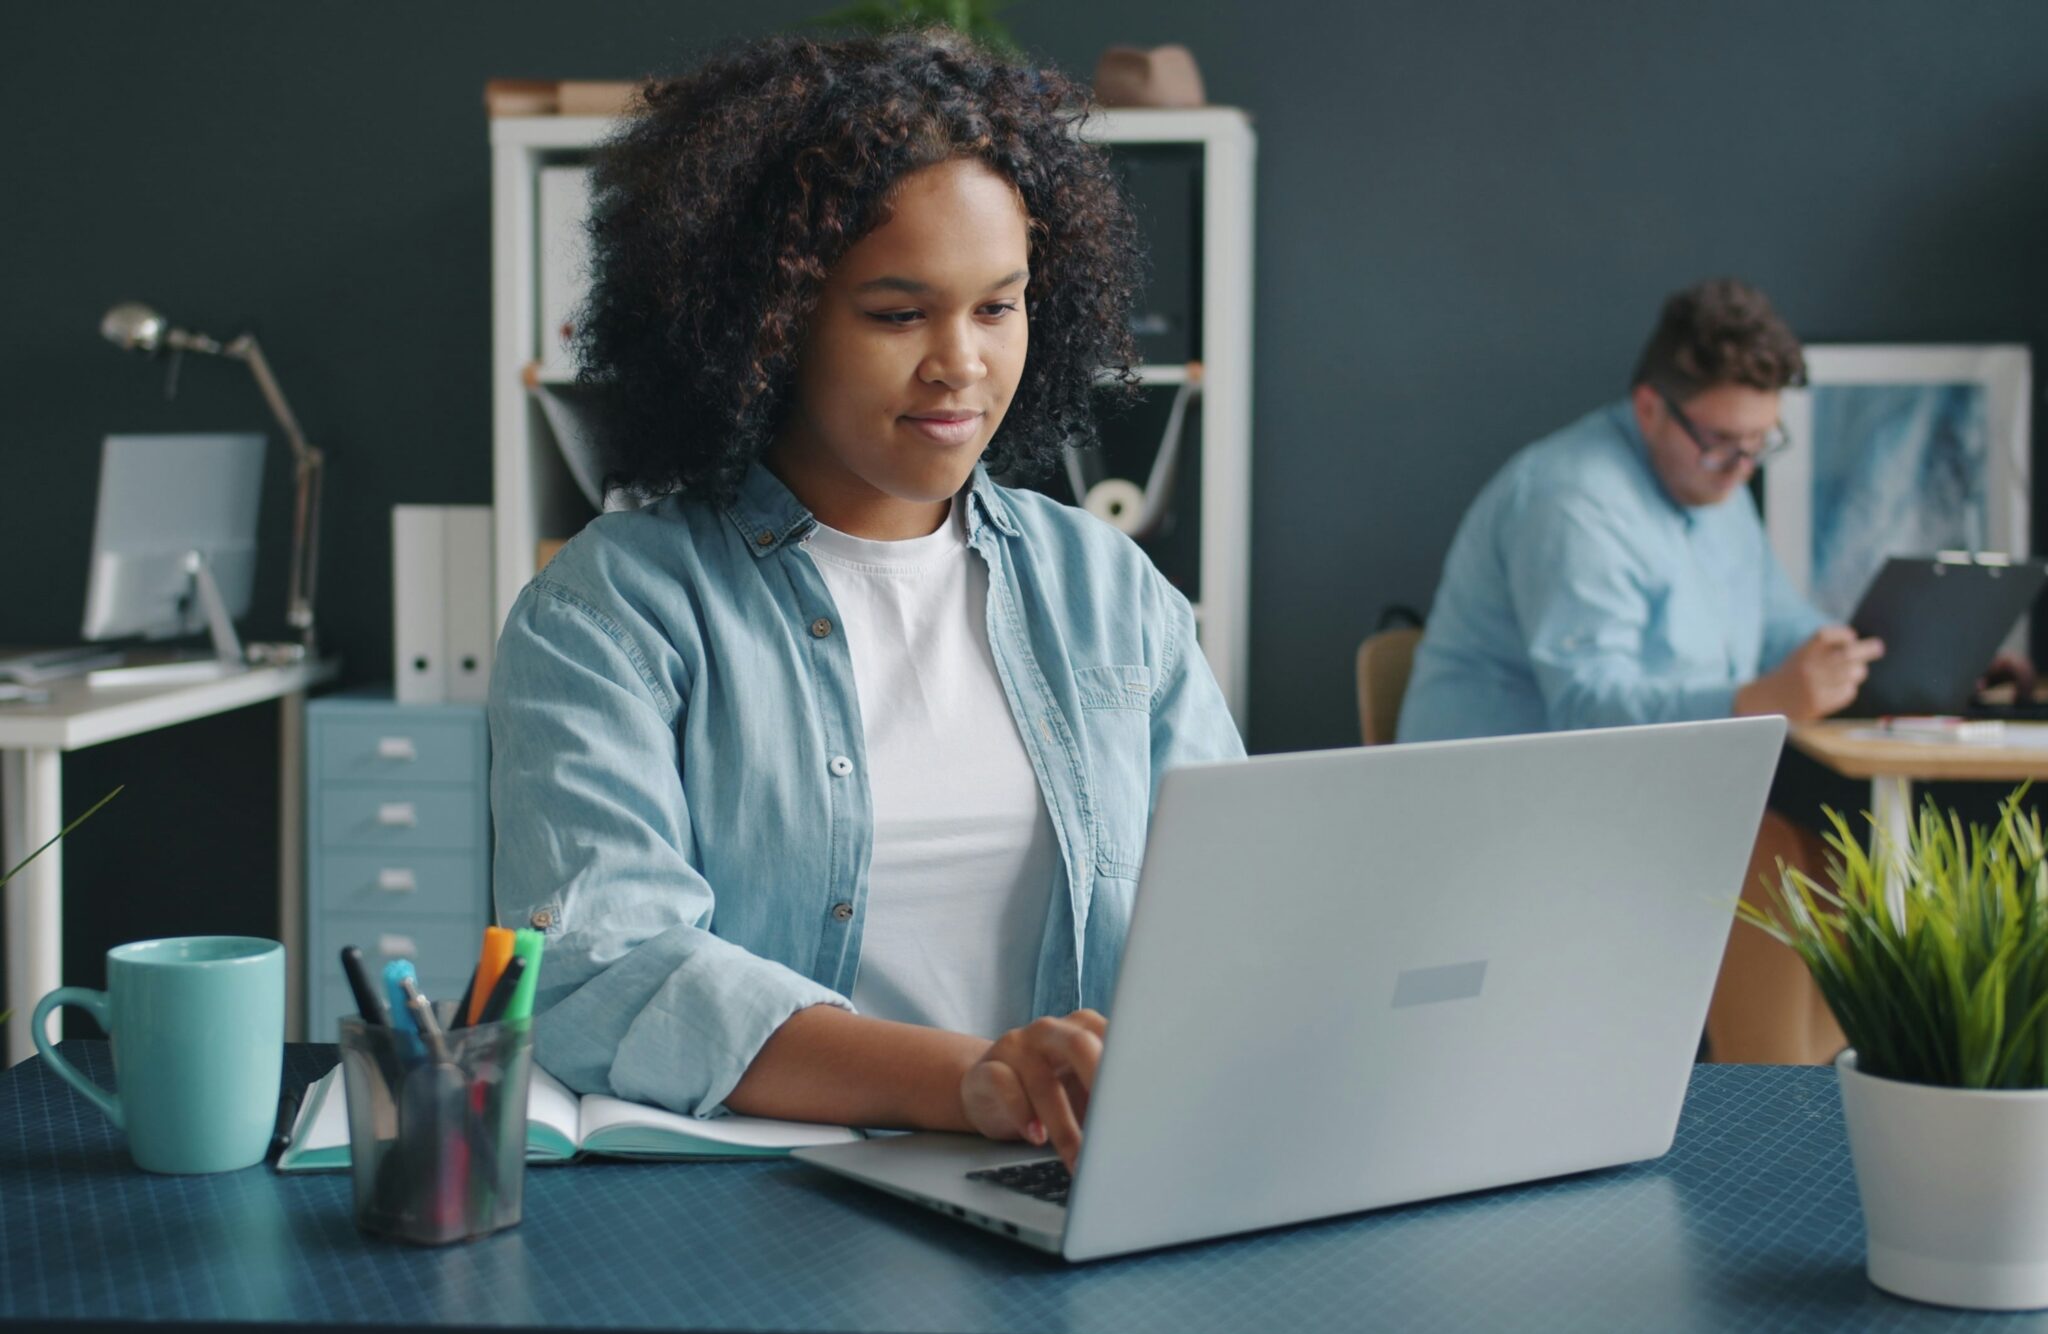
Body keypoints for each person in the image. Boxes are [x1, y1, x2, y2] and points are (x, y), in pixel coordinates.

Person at [487, 31, 1243, 1172]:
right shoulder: (611, 613)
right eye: (898, 315)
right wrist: (977, 1079)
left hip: (1071, 1184)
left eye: (998, 307)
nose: (962, 364)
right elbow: (606, 970)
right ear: (768, 327)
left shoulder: (1108, 592)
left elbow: (1236, 911)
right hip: (766, 1209)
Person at [1397, 279, 1882, 745]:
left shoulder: (1714, 483)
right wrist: (1754, 703)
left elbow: (1779, 625)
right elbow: (1589, 712)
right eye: (1721, 441)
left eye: (1759, 441)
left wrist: (1852, 658)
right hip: (1498, 805)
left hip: (1645, 795)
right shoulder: (1572, 503)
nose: (1741, 469)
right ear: (1650, 409)